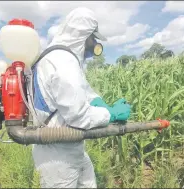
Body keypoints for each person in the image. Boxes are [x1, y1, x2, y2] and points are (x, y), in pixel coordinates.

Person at [31, 7, 131, 188]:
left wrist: (101, 104)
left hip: (68, 146)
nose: (94, 46)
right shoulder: (64, 62)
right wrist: (112, 115)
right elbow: (79, 116)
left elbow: (83, 90)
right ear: (84, 36)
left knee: (88, 181)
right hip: (58, 154)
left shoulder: (60, 57)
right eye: (93, 39)